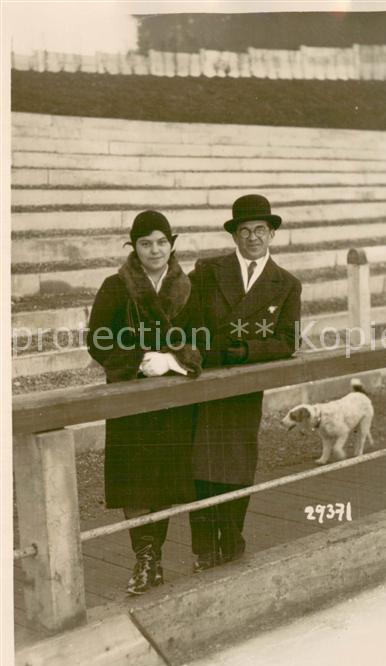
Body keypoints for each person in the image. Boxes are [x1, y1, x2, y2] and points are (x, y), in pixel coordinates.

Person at [87, 210, 202, 595]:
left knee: (165, 479)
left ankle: (156, 556)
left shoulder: (188, 287)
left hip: (171, 399)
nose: (154, 250)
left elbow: (205, 337)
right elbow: (98, 341)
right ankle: (145, 557)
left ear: (172, 243)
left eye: (161, 242)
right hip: (130, 398)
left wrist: (174, 359)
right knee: (135, 479)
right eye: (145, 243)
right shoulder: (115, 286)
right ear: (133, 247)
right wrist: (138, 359)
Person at [188, 194, 302, 572]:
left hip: (244, 382)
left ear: (272, 234)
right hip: (205, 379)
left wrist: (246, 351)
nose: (252, 238)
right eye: (244, 231)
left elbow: (288, 340)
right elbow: (186, 319)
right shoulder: (207, 272)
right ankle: (204, 547)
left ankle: (232, 538)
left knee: (237, 461)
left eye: (259, 230)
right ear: (234, 236)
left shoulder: (285, 284)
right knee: (201, 462)